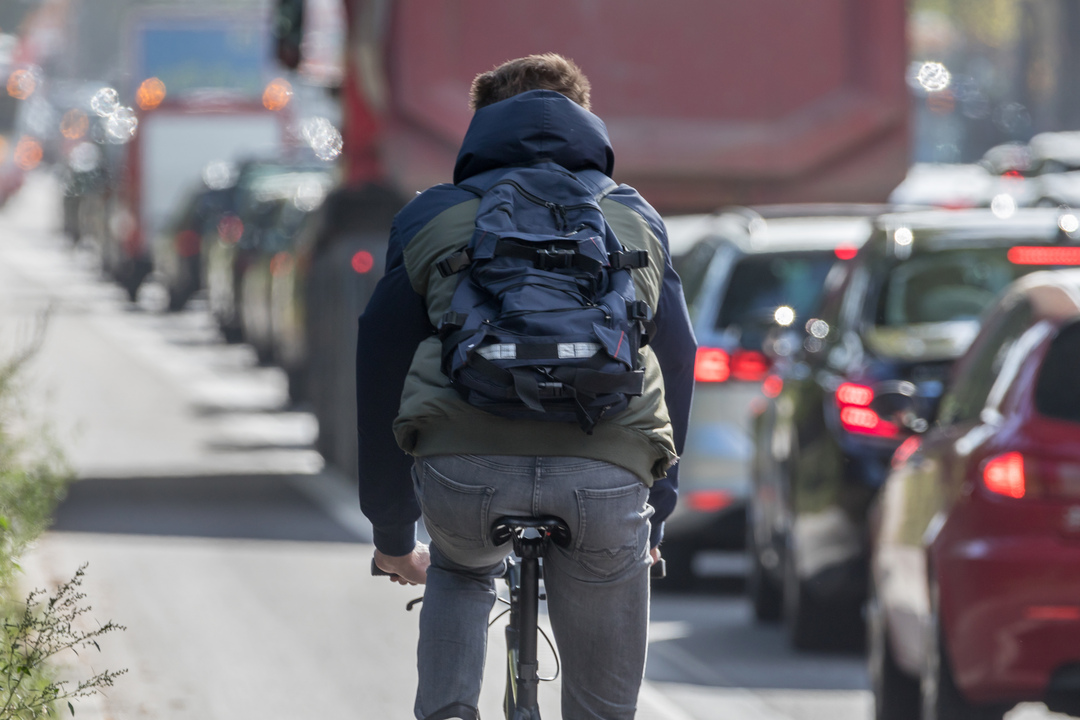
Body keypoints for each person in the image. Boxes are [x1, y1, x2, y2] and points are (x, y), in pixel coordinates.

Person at [357, 53, 696, 720]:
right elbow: (677, 357)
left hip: (466, 473)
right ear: (583, 118)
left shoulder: (433, 215)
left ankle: (451, 711)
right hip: (604, 471)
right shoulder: (635, 218)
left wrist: (393, 534)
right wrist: (656, 507)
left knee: (460, 565)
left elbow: (380, 360)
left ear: (483, 127)